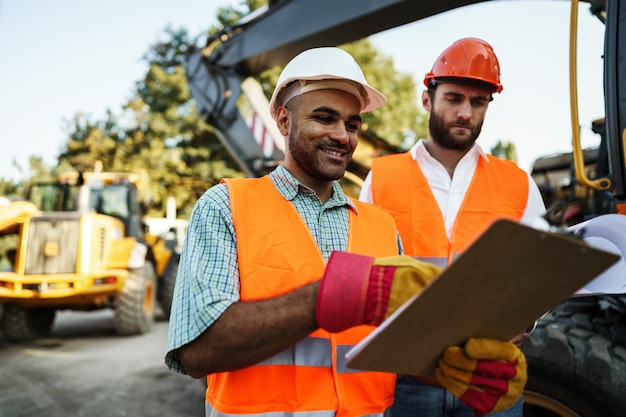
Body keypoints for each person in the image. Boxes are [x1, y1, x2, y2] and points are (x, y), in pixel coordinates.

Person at [166, 46, 528, 417]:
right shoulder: (225, 205)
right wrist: (333, 293)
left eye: (352, 124)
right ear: (283, 119)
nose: (343, 135)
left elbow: (392, 351)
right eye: (325, 118)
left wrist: (457, 369)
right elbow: (197, 351)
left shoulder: (381, 226)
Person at [359, 38, 547, 417]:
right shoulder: (381, 178)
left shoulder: (518, 182)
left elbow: (541, 275)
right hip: (406, 381)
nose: (465, 112)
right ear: (427, 99)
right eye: (454, 98)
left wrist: (522, 321)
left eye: (478, 103)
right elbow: (365, 269)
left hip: (489, 379)